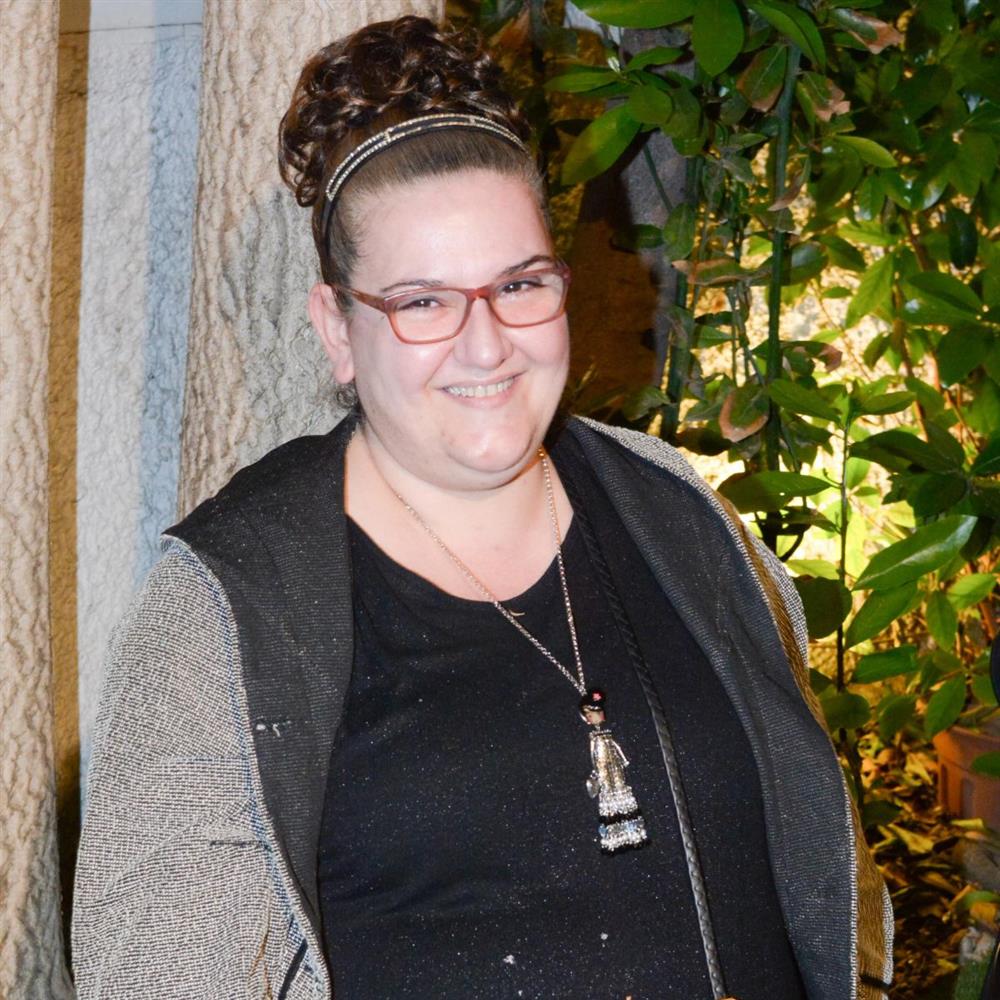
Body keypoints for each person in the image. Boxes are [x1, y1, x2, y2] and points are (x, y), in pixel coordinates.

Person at [72, 15, 893, 1000]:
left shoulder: (676, 510)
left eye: (518, 284)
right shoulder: (228, 605)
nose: (487, 343)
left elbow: (823, 865)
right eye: (422, 301)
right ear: (336, 328)